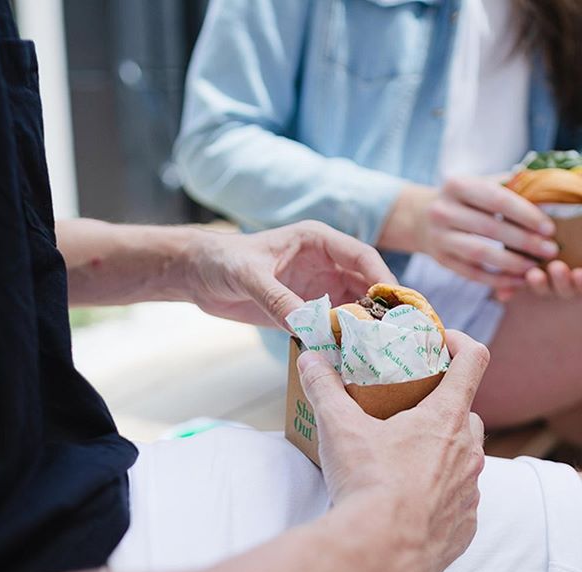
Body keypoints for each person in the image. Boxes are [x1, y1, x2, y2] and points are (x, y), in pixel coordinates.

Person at [0, 2, 582, 572]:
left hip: (75, 481)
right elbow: (214, 141)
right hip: (41, 560)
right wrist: (384, 546)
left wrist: (186, 261)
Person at [175, 0, 582, 434]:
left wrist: (556, 247)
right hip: (369, 318)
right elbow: (211, 145)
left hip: (510, 283)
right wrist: (406, 213)